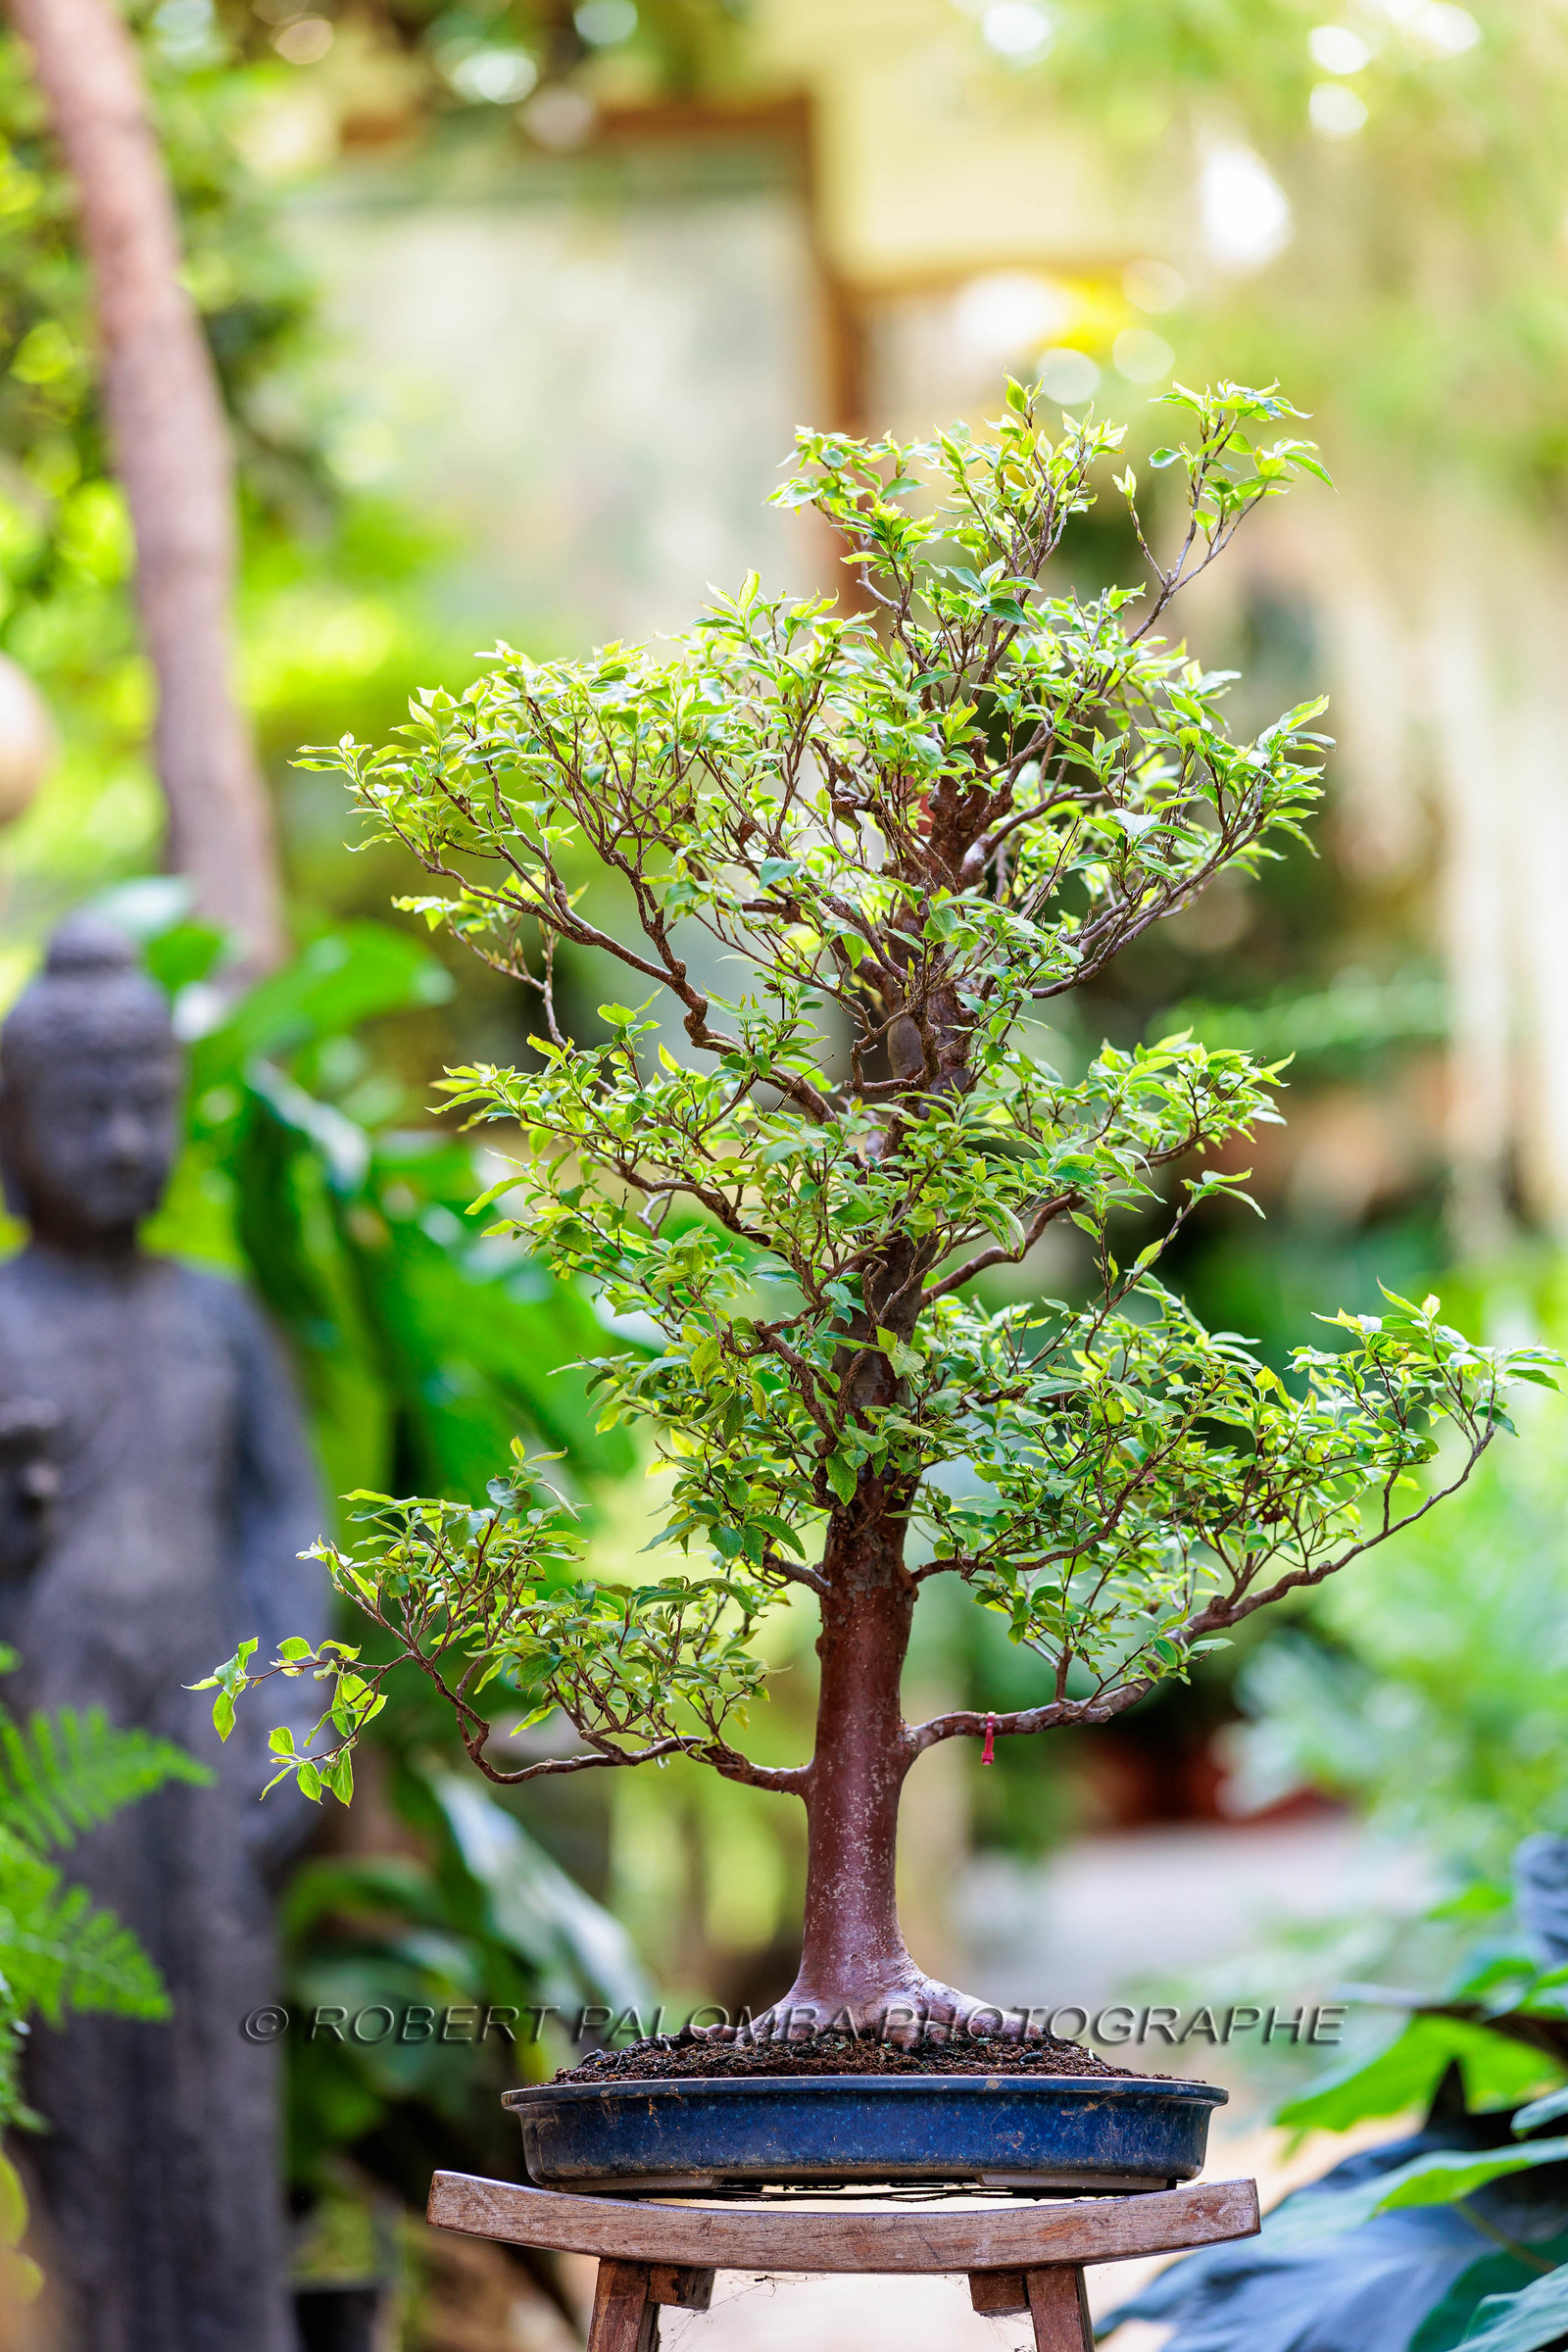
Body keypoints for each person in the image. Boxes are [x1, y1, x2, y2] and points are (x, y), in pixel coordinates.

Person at [0, 913, 326, 2352]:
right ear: (14, 1123)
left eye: (151, 1107)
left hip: (207, 1755)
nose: (126, 1141)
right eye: (88, 1111)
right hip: (46, 1757)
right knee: (68, 2093)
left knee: (219, 2086)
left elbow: (289, 1526)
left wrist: (297, 1712)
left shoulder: (221, 1316)